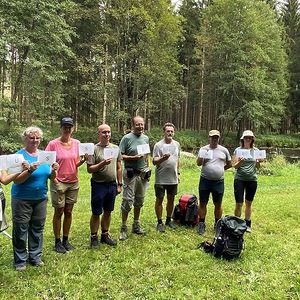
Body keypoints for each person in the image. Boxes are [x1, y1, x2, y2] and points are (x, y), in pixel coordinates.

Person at [10, 126, 58, 271]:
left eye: (37, 138)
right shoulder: (18, 156)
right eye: (32, 138)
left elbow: (52, 178)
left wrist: (54, 169)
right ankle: (20, 260)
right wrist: (29, 170)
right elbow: (16, 180)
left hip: (40, 198)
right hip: (22, 198)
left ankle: (35, 256)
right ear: (25, 139)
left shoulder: (45, 156)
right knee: (21, 228)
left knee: (37, 228)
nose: (35, 140)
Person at [45, 117, 88, 253]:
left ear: (73, 128)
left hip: (73, 182)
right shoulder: (53, 144)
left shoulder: (77, 143)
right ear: (61, 127)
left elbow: (75, 163)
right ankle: (57, 241)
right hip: (59, 182)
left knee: (69, 211)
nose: (67, 129)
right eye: (65, 126)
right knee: (59, 211)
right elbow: (46, 163)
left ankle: (66, 239)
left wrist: (83, 160)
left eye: (70, 126)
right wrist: (55, 180)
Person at [86, 124, 122, 248]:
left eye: (108, 132)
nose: (107, 134)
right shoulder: (94, 149)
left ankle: (105, 235)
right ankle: (93, 237)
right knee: (96, 212)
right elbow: (89, 169)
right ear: (98, 134)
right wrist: (102, 163)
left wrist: (119, 184)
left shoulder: (115, 148)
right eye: (104, 132)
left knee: (108, 211)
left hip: (111, 184)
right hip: (98, 185)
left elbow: (118, 167)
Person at [119, 116, 150, 241]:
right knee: (127, 200)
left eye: (142, 124)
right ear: (133, 125)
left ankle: (136, 225)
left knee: (139, 200)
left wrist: (148, 169)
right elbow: (120, 155)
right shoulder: (126, 139)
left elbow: (147, 155)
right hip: (130, 174)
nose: (140, 127)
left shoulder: (146, 138)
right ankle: (123, 227)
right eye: (138, 124)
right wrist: (133, 158)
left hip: (142, 175)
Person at [196, 130, 232, 235]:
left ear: (219, 138)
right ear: (209, 138)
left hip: (218, 182)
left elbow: (230, 164)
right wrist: (202, 156)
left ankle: (217, 224)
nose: (214, 139)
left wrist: (221, 169)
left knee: (218, 204)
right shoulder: (203, 149)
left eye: (216, 137)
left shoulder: (224, 150)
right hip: (205, 180)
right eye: (212, 137)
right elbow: (198, 163)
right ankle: (202, 223)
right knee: (203, 202)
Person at [152, 122, 180, 232]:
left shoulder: (176, 144)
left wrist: (178, 173)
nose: (170, 133)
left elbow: (177, 160)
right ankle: (159, 222)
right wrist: (163, 158)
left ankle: (169, 220)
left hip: (172, 177)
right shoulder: (158, 145)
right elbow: (154, 161)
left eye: (172, 131)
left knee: (171, 199)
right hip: (161, 178)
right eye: (168, 131)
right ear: (164, 132)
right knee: (159, 199)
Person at [233, 130, 262, 233]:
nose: (248, 139)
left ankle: (247, 223)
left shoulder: (256, 150)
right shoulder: (238, 150)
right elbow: (235, 166)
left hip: (252, 179)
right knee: (239, 203)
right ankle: (236, 224)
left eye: (250, 137)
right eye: (246, 137)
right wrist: (240, 162)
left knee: (248, 202)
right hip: (239, 179)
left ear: (252, 139)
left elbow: (258, 167)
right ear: (243, 139)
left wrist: (258, 162)